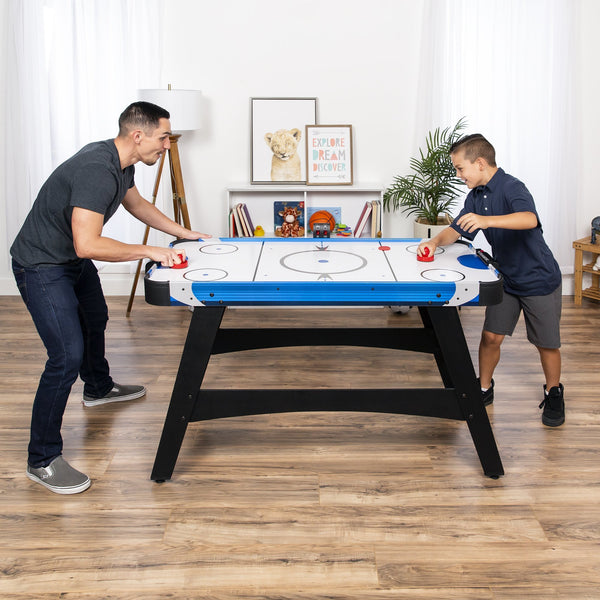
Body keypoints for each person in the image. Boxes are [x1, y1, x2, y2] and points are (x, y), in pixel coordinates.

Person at [11, 101, 211, 494]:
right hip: (41, 264)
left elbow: (137, 205)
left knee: (96, 317)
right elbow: (87, 244)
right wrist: (149, 251)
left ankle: (98, 387)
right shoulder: (96, 171)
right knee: (65, 355)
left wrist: (183, 233)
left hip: (67, 258)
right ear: (138, 136)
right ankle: (42, 459)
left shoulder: (122, 163)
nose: (167, 145)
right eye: (163, 137)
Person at [417, 133, 564, 428]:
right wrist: (434, 243)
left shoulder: (512, 187)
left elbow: (529, 219)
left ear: (480, 163)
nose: (459, 175)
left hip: (539, 279)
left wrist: (487, 221)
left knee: (546, 344)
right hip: (506, 278)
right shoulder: (475, 196)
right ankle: (483, 388)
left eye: (460, 169)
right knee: (490, 337)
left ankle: (553, 391)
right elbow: (456, 229)